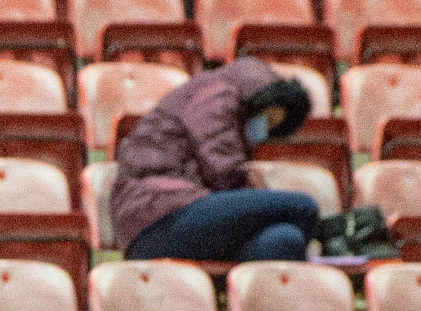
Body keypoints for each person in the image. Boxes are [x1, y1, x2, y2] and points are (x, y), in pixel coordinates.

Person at [113, 57, 316, 263]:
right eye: (269, 118)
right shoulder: (217, 93)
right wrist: (252, 189)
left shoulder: (223, 100)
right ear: (260, 98)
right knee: (303, 207)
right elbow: (223, 171)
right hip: (158, 216)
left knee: (285, 240)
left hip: (195, 218)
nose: (264, 129)